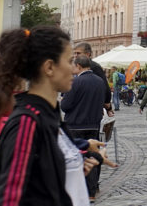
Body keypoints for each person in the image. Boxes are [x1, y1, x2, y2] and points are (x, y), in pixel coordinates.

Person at [0, 27, 87, 205]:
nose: (74, 69)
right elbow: (10, 198)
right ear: (49, 67)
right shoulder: (27, 122)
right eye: (69, 61)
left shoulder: (49, 114)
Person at [61, 55, 106, 202]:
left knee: (77, 157)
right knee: (92, 156)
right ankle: (91, 192)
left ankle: (77, 190)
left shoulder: (76, 81)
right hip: (94, 124)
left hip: (76, 124)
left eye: (73, 66)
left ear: (79, 66)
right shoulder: (100, 81)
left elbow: (65, 106)